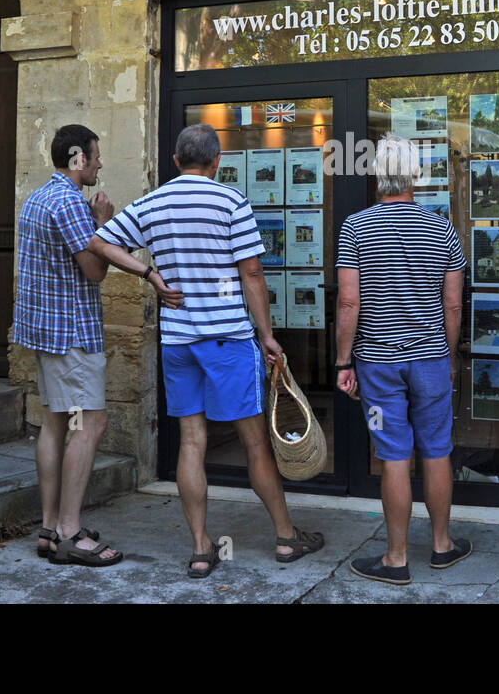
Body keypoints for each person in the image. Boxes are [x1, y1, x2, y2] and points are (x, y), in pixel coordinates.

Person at [90, 123, 324, 577]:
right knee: (254, 441)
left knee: (191, 442)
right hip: (228, 339)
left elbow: (100, 242)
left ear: (177, 161)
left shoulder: (153, 202)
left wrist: (149, 275)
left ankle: (200, 549)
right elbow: (252, 274)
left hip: (179, 340)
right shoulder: (231, 201)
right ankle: (285, 538)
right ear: (217, 162)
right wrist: (268, 335)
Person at [335, 134, 472, 585]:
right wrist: (447, 356)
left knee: (393, 455)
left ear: (378, 174)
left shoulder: (355, 227)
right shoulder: (443, 229)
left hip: (376, 361)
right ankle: (441, 545)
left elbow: (348, 305)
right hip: (431, 358)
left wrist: (343, 361)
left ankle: (395, 558)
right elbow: (453, 306)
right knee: (437, 450)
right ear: (416, 174)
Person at [13, 124, 123, 567]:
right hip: (73, 334)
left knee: (54, 424)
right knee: (91, 424)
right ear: (78, 158)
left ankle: (49, 527)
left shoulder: (37, 198)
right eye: (95, 156)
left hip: (45, 333)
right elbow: (96, 271)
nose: (99, 163)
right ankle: (71, 531)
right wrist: (103, 222)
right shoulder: (70, 203)